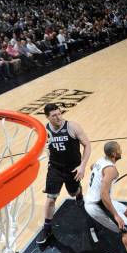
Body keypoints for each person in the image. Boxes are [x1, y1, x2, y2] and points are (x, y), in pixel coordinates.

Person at [36, 103, 92, 244]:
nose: (58, 117)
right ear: (47, 117)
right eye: (54, 115)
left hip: (73, 168)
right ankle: (47, 228)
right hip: (55, 168)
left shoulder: (72, 126)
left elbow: (87, 145)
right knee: (50, 198)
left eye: (59, 113)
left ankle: (79, 195)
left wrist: (82, 166)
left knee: (73, 193)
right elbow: (45, 146)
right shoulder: (45, 130)